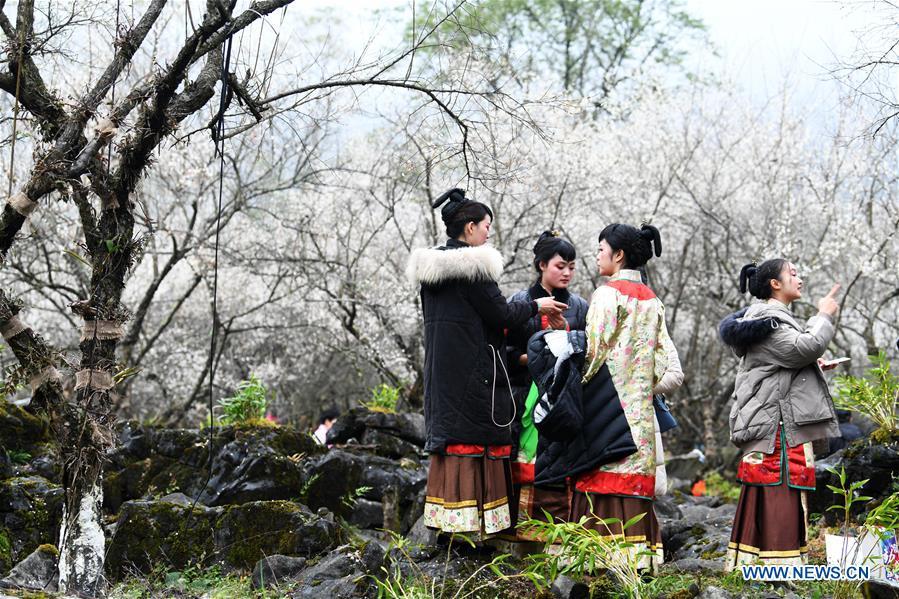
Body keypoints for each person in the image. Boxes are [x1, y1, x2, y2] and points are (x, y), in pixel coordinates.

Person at [406, 188, 568, 538]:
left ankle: (452, 526)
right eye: (485, 225)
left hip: (441, 371)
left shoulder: (430, 274)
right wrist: (537, 306)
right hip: (474, 372)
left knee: (452, 439)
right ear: (469, 228)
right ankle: (478, 529)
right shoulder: (475, 269)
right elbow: (502, 313)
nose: (489, 232)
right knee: (477, 439)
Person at [557, 223, 675, 571]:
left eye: (600, 249)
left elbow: (592, 354)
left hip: (604, 407)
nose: (596, 256)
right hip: (639, 413)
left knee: (600, 475)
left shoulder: (607, 294)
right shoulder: (653, 301)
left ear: (618, 255)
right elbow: (666, 363)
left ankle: (595, 562)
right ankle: (639, 562)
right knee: (633, 480)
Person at [719, 259, 841, 569]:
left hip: (773, 415)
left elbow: (786, 361)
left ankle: (761, 559)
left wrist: (812, 365)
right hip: (775, 421)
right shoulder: (770, 320)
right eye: (793, 274)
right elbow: (806, 347)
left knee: (776, 484)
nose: (799, 279)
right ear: (775, 283)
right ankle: (776, 561)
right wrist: (824, 314)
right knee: (779, 482)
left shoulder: (770, 318)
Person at [505, 231, 589, 536]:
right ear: (541, 265)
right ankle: (515, 538)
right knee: (521, 463)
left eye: (572, 267)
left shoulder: (579, 306)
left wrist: (565, 337)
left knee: (558, 464)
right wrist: (536, 356)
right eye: (560, 266)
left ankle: (556, 537)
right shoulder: (520, 302)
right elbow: (504, 352)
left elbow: (587, 351)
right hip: (523, 394)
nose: (567, 273)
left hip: (562, 399)